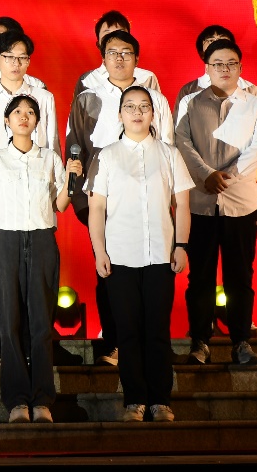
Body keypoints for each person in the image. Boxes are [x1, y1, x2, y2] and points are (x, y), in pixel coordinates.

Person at [65, 30, 173, 367]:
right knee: (108, 272)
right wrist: (80, 198)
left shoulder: (154, 99)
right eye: (112, 52)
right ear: (103, 58)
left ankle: (153, 345)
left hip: (148, 200)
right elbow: (73, 145)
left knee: (152, 275)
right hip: (101, 199)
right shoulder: (87, 97)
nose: (119, 58)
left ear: (137, 58)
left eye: (126, 52)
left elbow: (167, 145)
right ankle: (114, 343)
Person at [87, 85, 193, 423]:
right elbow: (96, 207)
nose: (137, 112)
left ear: (153, 113)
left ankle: (160, 401)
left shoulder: (169, 154)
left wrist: (181, 245)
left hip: (161, 254)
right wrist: (99, 251)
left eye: (144, 106)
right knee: (128, 332)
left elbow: (183, 204)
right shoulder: (106, 155)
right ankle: (134, 400)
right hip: (120, 256)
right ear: (120, 114)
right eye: (130, 106)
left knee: (157, 331)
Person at [0, 94, 79, 424]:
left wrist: (71, 179)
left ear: (37, 121)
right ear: (6, 121)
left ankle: (42, 400)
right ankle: (17, 401)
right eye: (18, 112)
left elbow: (60, 205)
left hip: (41, 240)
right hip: (6, 241)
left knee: (40, 324)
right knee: (9, 324)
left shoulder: (49, 158)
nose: (24, 116)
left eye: (31, 112)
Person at [175, 39, 257, 367]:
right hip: (200, 203)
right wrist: (206, 174)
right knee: (200, 277)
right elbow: (181, 142)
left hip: (241, 203)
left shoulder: (254, 103)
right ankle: (199, 341)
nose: (224, 69)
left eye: (231, 63)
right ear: (207, 68)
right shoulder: (190, 102)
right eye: (217, 64)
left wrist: (228, 176)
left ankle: (241, 341)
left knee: (240, 275)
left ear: (241, 67)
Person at [0, 29, 59, 366]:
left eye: (22, 58)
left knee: (38, 279)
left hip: (36, 197)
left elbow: (52, 145)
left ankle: (38, 346)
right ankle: (1, 346)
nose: (16, 64)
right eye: (9, 57)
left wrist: (54, 193)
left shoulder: (42, 97)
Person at [73, 11, 160, 99]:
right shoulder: (87, 80)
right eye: (107, 34)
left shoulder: (147, 77)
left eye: (119, 33)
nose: (115, 39)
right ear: (98, 44)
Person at [175, 25, 257, 106]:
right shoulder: (189, 90)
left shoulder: (250, 89)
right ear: (202, 53)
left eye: (223, 40)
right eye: (211, 41)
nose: (217, 45)